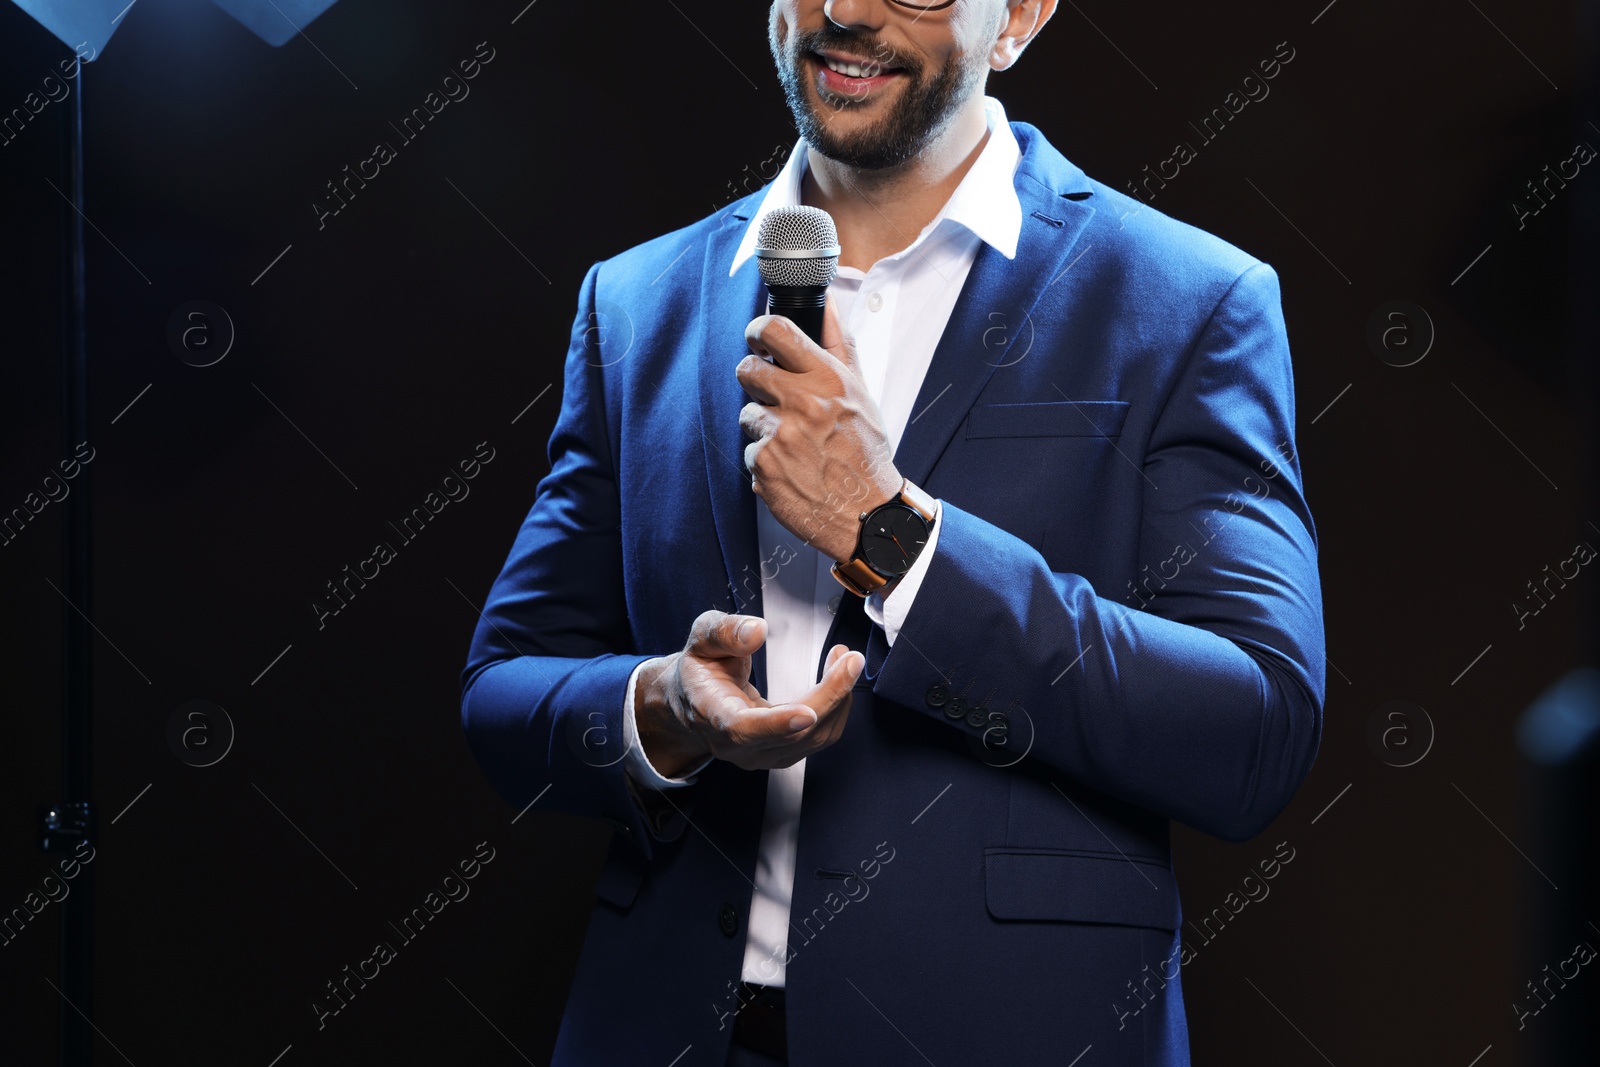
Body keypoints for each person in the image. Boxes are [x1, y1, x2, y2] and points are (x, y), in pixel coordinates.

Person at [459, 1, 1326, 1064]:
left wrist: (892, 534)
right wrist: (662, 708)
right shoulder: (634, 300)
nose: (845, 11)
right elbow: (503, 690)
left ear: (1017, 17)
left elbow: (1254, 729)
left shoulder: (1189, 301)